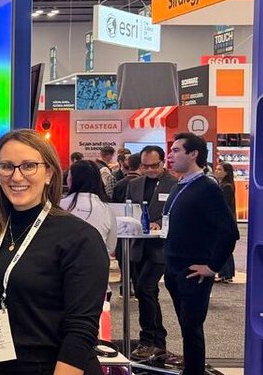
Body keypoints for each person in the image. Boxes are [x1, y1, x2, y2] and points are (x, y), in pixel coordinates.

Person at [0, 129, 109, 375]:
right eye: (7, 167)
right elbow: (2, 300)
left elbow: (80, 332)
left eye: (29, 166)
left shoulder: (79, 237)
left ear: (49, 173)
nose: (16, 176)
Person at [161, 133, 240, 375]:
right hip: (174, 268)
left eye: (176, 150)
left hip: (194, 271)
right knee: (186, 328)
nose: (171, 155)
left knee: (192, 330)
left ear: (193, 154)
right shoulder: (180, 185)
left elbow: (229, 231)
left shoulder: (207, 188)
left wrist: (212, 266)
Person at [120, 146, 177, 362]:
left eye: (154, 165)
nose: (150, 170)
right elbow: (128, 210)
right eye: (145, 166)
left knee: (146, 288)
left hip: (160, 248)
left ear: (163, 163)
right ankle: (155, 340)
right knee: (146, 293)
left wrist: (159, 223)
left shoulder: (174, 184)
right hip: (137, 246)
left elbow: (175, 213)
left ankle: (150, 339)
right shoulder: (134, 184)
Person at [61, 160, 117, 255]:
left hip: (63, 260)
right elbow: (111, 246)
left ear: (72, 179)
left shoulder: (59, 206)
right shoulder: (106, 209)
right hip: (97, 260)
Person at [214, 161, 237, 283]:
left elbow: (223, 204)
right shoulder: (222, 185)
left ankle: (226, 274)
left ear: (226, 173)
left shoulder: (226, 187)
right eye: (216, 169)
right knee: (222, 247)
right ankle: (225, 274)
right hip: (223, 220)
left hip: (224, 221)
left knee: (223, 247)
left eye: (219, 170)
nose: (216, 171)